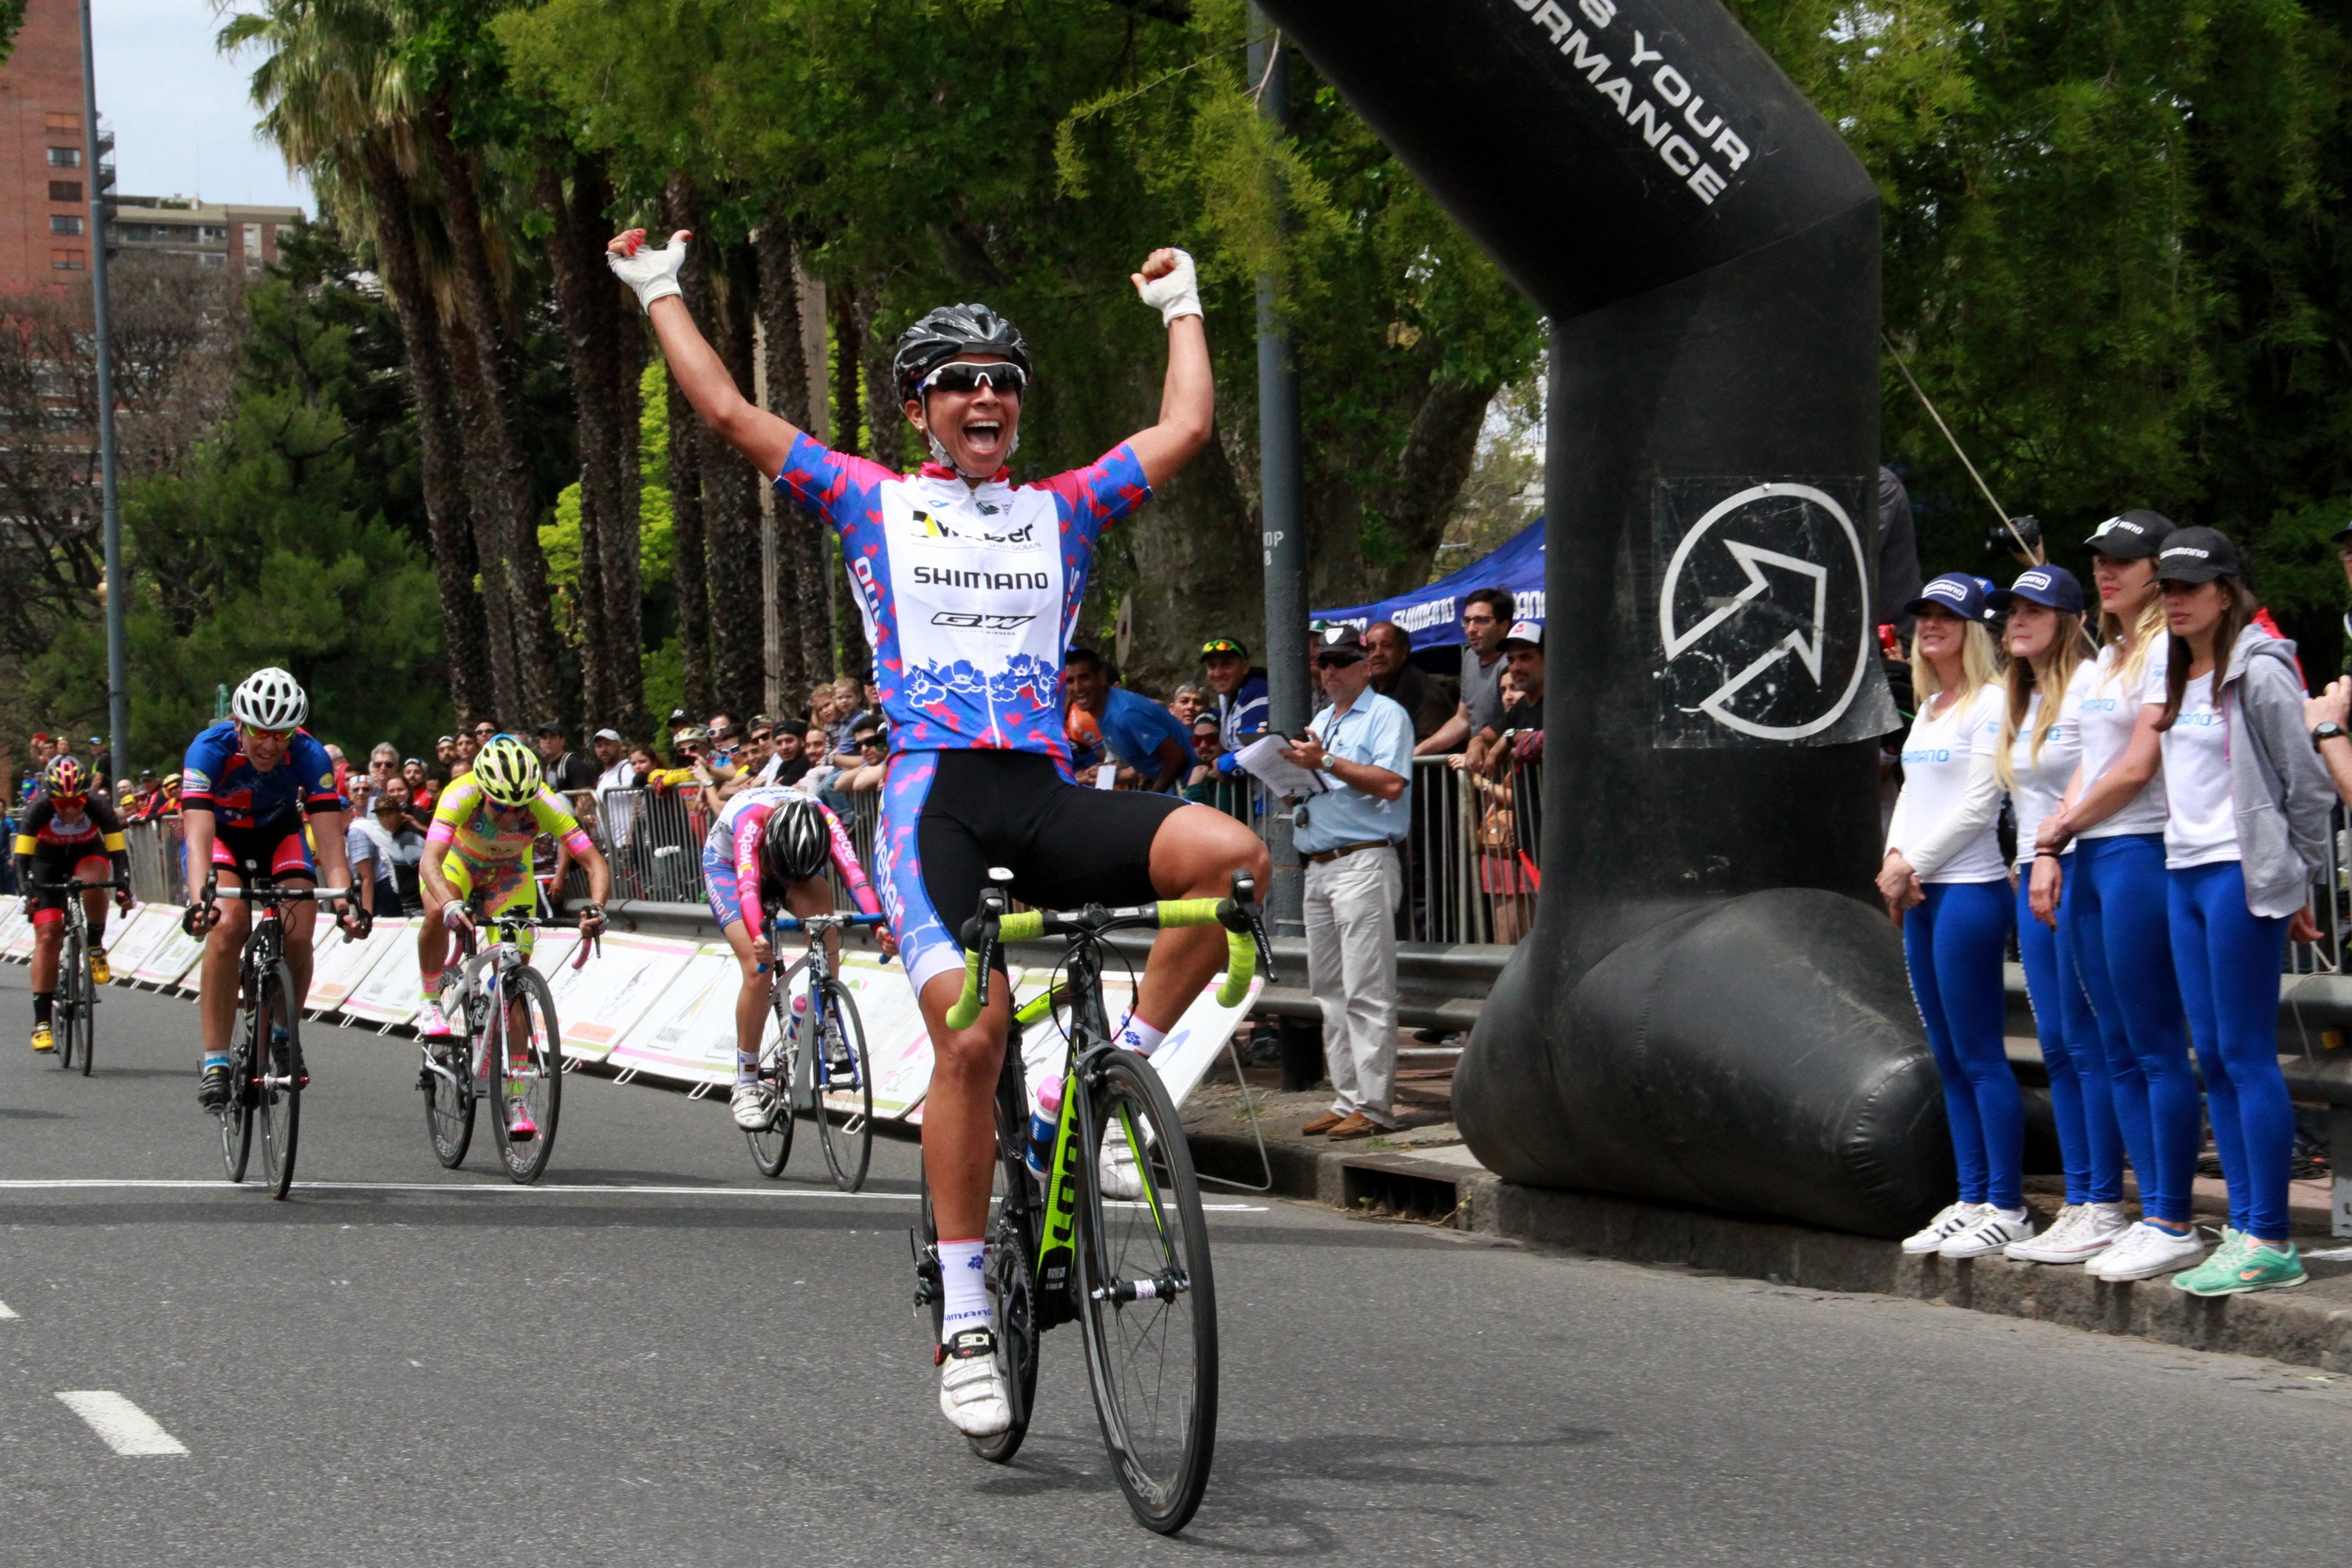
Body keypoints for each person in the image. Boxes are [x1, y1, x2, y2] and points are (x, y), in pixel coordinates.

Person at [612, 222, 1265, 1439]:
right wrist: (657, 288)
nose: (984, 398)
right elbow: (729, 416)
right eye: (958, 383)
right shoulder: (870, 497)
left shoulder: (1063, 508)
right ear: (918, 408)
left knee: (1228, 861)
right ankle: (965, 1311)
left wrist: (1182, 302)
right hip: (932, 798)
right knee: (966, 1040)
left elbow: (1180, 433)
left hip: (1042, 784)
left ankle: (1109, 1081)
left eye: (1001, 384)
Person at [2144, 530, 2329, 1295]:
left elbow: (2308, 786)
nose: (2176, 598)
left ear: (2226, 590)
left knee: (2245, 1053)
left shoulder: (2259, 670)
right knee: (2212, 1053)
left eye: (2190, 585)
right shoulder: (2179, 670)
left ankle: (2271, 1237)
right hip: (2184, 871)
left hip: (2237, 874)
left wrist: (2297, 884)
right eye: (2166, 587)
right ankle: (2246, 1226)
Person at [2028, 511, 2205, 1282]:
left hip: (2138, 848)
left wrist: (2059, 828)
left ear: (2157, 571)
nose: (2107, 572)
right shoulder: (2102, 662)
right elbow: (2083, 761)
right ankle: (2140, 1210)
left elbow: (2136, 767)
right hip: (2092, 851)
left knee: (2153, 1039)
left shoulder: (2167, 648)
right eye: (2100, 559)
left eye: (2124, 562)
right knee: (2112, 1043)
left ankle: (2173, 1214)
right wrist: (2050, 841)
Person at [1876, 575, 2032, 1259]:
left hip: (1967, 889)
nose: (1931, 626)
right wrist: (1894, 856)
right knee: (1947, 1056)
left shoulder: (1992, 701)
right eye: (1924, 616)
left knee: (1980, 1055)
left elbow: (1978, 806)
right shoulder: (1935, 704)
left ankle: (2008, 1203)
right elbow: (1912, 792)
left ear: (1973, 630)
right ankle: (1970, 1196)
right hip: (1922, 892)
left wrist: (1912, 864)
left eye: (1947, 616)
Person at [1986, 567, 2125, 1265]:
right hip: (2032, 876)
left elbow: (2099, 776)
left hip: (2073, 867)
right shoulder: (2026, 692)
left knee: (2088, 1040)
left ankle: (2104, 1201)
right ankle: (2081, 1197)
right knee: (2060, 1046)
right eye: (2010, 609)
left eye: (2032, 609)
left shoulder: (2091, 684)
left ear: (2068, 617)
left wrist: (2053, 849)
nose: (2016, 619)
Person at [182, 668, 363, 1110]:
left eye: (281, 734)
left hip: (279, 834)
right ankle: (216, 1061)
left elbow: (332, 847)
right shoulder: (208, 750)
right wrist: (198, 902)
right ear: (239, 724)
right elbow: (198, 837)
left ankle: (284, 1035)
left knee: (300, 930)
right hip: (223, 837)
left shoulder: (310, 754)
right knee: (228, 928)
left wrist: (344, 901)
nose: (269, 745)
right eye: (260, 731)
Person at [414, 736, 612, 1140]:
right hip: (460, 863)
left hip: (510, 874)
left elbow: (593, 861)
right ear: (484, 792)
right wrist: (452, 905)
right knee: (437, 909)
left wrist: (597, 907)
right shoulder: (460, 793)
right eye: (501, 806)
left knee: (516, 977)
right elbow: (430, 860)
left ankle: (517, 1097)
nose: (510, 816)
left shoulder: (546, 802)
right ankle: (431, 1000)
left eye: (519, 808)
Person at [1279, 626, 1414, 1138]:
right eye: (1324, 662)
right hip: (1320, 862)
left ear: (1365, 666)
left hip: (1363, 860)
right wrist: (1290, 776)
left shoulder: (1387, 715)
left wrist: (1326, 762)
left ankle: (1375, 1106)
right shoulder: (1322, 718)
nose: (1330, 670)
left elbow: (1392, 782)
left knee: (1366, 988)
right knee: (1329, 990)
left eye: (1341, 660)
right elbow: (1317, 784)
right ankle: (1347, 1098)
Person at [705, 787, 889, 1129]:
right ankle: (746, 1082)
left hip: (793, 860)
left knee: (825, 925)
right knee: (757, 969)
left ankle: (828, 1019)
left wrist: (880, 928)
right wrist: (758, 937)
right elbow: (747, 888)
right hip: (731, 868)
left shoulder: (827, 821)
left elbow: (855, 877)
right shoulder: (750, 823)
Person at [13, 755, 134, 1052]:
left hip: (86, 852)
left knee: (94, 882)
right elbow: (22, 859)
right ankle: (42, 1021)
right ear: (50, 798)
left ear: (85, 795)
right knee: (49, 934)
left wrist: (123, 887)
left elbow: (118, 852)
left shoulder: (98, 806)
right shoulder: (37, 809)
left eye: (76, 801)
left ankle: (94, 944)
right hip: (47, 861)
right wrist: (26, 893)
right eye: (62, 802)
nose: (70, 808)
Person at [1065, 648, 1190, 792]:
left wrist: (1154, 797)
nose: (1077, 687)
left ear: (1101, 678)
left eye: (1084, 678)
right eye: (1070, 681)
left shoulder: (1124, 714)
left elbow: (1177, 757)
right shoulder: (1102, 710)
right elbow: (1129, 761)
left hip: (1190, 786)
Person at [1415, 588, 1514, 756]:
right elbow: (1462, 720)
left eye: (1481, 620)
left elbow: (1517, 722)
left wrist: (1480, 741)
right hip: (1481, 771)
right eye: (1467, 621)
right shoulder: (1470, 658)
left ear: (1504, 625)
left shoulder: (1514, 662)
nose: (1471, 629)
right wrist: (1418, 752)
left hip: (1511, 769)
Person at [1364, 620, 1456, 745]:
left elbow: (1430, 741)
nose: (1377, 653)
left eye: (1386, 646)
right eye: (1371, 648)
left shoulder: (1421, 689)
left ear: (1403, 651)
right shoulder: (1366, 688)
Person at [349, 784, 425, 917]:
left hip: (419, 906)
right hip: (407, 906)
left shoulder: (407, 839)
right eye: (381, 815)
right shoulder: (394, 837)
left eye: (389, 813)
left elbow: (425, 872)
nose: (386, 819)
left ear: (398, 813)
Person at [1199, 637, 1269, 753]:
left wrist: (1222, 764)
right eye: (1212, 666)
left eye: (1226, 665)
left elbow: (1255, 747)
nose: (1218, 673)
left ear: (1245, 667)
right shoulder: (1228, 696)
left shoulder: (1257, 690)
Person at [537, 721, 600, 795]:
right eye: (544, 738)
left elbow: (586, 798)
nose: (548, 741)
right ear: (540, 743)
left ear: (562, 741)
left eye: (553, 737)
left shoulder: (573, 763)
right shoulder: (548, 768)